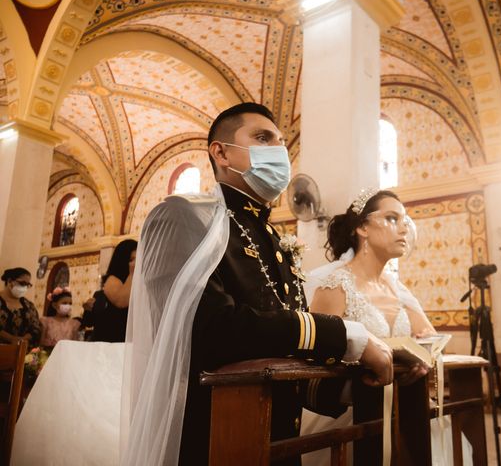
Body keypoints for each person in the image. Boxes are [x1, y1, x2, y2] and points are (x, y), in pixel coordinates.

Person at [122, 103, 394, 466]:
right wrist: (346, 335)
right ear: (220, 152)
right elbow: (210, 331)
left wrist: (348, 387)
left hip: (275, 442)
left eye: (281, 143)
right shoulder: (182, 216)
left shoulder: (275, 240)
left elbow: (281, 359)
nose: (278, 151)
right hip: (212, 437)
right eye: (262, 138)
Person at [301, 189, 473, 466]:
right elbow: (312, 360)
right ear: (362, 228)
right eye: (392, 218)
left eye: (406, 220)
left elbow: (430, 338)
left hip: (405, 406)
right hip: (354, 412)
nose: (404, 227)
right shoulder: (336, 285)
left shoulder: (396, 287)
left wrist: (423, 360)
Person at [85, 240, 137, 342]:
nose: (135, 264)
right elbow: (122, 301)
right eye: (131, 259)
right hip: (107, 348)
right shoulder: (107, 287)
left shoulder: (141, 289)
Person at [0, 267, 41, 348]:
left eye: (27, 285)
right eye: (22, 284)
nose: (25, 288)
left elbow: (36, 328)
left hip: (22, 351)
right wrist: (11, 339)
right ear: (10, 281)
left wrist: (22, 339)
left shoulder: (29, 306)